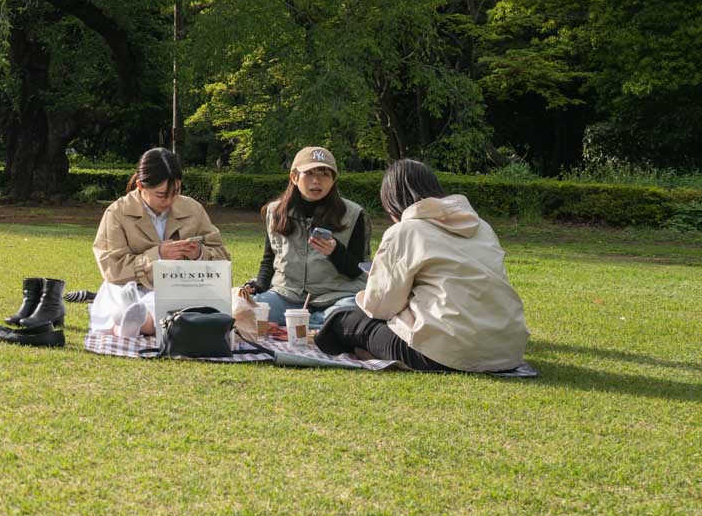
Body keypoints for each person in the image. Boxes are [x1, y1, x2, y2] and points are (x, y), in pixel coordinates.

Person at [314, 160, 529, 372]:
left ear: (392, 204)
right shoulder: (483, 227)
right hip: (506, 351)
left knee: (342, 320)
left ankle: (367, 353)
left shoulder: (406, 231)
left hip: (445, 352)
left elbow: (380, 308)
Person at [89, 147, 229, 335]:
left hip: (181, 287)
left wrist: (199, 254)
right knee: (121, 293)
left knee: (173, 301)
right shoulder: (117, 213)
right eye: (161, 195)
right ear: (140, 185)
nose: (169, 201)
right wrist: (158, 256)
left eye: (176, 192)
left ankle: (131, 324)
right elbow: (112, 267)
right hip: (132, 286)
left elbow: (223, 259)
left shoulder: (193, 209)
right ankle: (133, 319)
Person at [240, 146, 368, 331]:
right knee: (246, 310)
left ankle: (310, 324)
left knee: (351, 311)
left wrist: (335, 252)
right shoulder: (275, 212)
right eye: (309, 173)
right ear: (294, 177)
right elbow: (269, 260)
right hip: (287, 295)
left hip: (337, 296)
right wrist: (258, 287)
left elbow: (358, 271)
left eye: (324, 174)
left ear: (333, 180)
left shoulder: (354, 214)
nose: (316, 181)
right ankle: (319, 327)